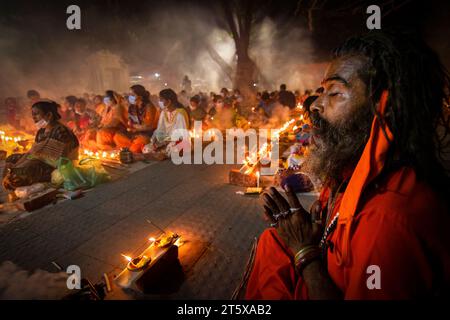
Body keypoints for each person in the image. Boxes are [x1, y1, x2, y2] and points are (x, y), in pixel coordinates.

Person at [245, 31, 450, 299]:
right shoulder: (352, 173)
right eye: (321, 91)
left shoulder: (385, 222)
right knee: (273, 242)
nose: (315, 105)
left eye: (335, 93)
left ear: (384, 107)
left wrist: (305, 251)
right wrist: (306, 228)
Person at [3, 101, 79, 190]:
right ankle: (12, 180)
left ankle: (17, 182)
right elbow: (32, 152)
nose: (33, 117)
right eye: (32, 115)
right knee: (11, 159)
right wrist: (14, 168)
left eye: (36, 114)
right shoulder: (41, 132)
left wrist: (22, 166)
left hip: (57, 167)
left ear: (49, 115)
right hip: (41, 160)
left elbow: (56, 160)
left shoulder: (61, 132)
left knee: (23, 172)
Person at [142, 89, 189, 158]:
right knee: (146, 148)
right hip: (166, 139)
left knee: (172, 149)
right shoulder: (163, 113)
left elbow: (181, 135)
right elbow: (160, 129)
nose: (159, 102)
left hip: (178, 141)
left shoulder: (180, 113)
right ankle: (160, 153)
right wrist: (156, 138)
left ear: (169, 101)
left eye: (161, 100)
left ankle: (160, 153)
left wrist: (167, 141)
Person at [115, 85, 160, 153]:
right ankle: (132, 148)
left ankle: (133, 149)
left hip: (148, 134)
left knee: (139, 142)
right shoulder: (132, 107)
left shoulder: (149, 107)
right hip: (135, 133)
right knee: (117, 136)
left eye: (132, 95)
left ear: (140, 96)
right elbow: (129, 122)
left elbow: (148, 127)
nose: (130, 97)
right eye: (129, 95)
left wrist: (134, 126)